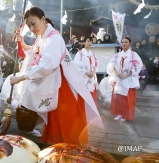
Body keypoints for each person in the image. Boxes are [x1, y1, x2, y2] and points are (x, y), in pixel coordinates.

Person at [10, 7, 103, 145]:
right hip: (53, 85)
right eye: (29, 25)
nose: (31, 28)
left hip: (63, 86)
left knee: (65, 123)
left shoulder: (54, 38)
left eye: (33, 23)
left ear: (43, 19)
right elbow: (33, 52)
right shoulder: (43, 37)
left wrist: (20, 77)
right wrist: (21, 41)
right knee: (55, 120)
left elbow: (47, 64)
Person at [0, 61, 42, 137]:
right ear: (19, 66)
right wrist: (13, 101)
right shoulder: (12, 76)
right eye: (22, 63)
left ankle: (29, 128)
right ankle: (0, 126)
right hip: (12, 108)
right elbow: (4, 94)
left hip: (31, 112)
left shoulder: (38, 79)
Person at [107, 37, 143, 121]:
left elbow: (138, 65)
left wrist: (128, 74)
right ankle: (119, 113)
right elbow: (110, 64)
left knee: (127, 98)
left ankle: (125, 115)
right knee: (118, 97)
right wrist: (117, 73)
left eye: (126, 42)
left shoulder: (134, 54)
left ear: (130, 43)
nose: (123, 43)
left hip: (129, 78)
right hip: (119, 78)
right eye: (122, 42)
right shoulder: (117, 55)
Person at [74, 37, 99, 107]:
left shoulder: (93, 54)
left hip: (92, 77)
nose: (89, 43)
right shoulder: (80, 53)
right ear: (84, 42)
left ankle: (91, 114)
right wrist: (86, 72)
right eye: (88, 41)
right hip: (84, 76)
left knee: (91, 94)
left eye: (91, 42)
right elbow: (76, 64)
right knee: (83, 94)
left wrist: (94, 72)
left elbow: (96, 64)